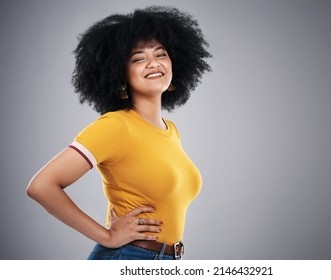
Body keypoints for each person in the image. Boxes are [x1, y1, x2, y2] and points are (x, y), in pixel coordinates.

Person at [26, 5, 211, 260]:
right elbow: (41, 186)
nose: (153, 63)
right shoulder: (115, 126)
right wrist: (108, 236)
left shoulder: (172, 131)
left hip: (168, 261)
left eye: (161, 54)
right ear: (120, 74)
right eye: (138, 58)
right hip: (129, 257)